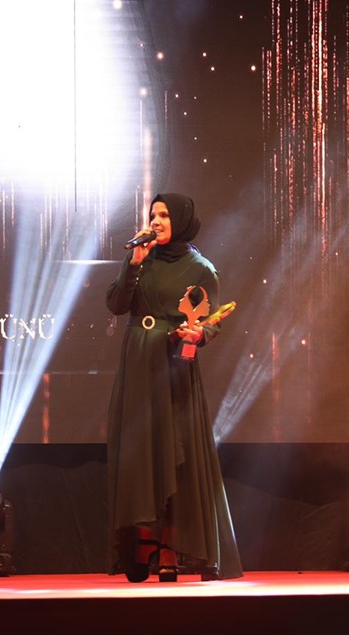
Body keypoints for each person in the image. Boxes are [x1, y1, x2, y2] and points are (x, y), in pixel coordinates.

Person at [106, 192, 243, 582]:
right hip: (137, 364)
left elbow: (212, 322)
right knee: (139, 455)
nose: (156, 221)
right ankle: (140, 545)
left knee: (173, 454)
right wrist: (133, 263)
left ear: (180, 220)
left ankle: (170, 548)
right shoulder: (141, 258)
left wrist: (197, 334)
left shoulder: (200, 268)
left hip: (173, 367)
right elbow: (116, 304)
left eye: (164, 215)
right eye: (153, 214)